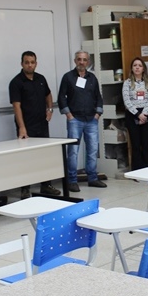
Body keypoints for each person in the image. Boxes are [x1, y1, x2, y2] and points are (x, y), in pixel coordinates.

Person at [9, 50, 61, 197]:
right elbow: (16, 106)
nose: (30, 65)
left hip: (42, 124)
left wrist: (50, 109)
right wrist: (22, 128)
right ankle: (25, 188)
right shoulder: (16, 82)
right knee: (26, 157)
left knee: (44, 155)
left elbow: (48, 94)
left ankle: (46, 185)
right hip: (26, 126)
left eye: (32, 62)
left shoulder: (41, 79)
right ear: (22, 64)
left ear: (36, 64)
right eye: (27, 62)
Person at [58, 50, 105, 192]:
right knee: (73, 151)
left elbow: (99, 97)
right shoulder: (68, 77)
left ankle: (92, 178)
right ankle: (72, 180)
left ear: (88, 62)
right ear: (75, 61)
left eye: (84, 60)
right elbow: (61, 97)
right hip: (75, 119)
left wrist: (98, 114)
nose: (82, 62)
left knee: (92, 150)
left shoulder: (92, 78)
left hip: (92, 119)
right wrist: (69, 115)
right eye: (79, 59)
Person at [123, 57, 148, 170]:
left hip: (146, 115)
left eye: (140, 65)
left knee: (145, 144)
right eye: (135, 65)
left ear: (143, 69)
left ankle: (147, 169)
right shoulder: (127, 83)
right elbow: (127, 101)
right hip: (133, 115)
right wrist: (138, 114)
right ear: (132, 68)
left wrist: (144, 114)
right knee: (135, 145)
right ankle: (136, 171)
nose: (137, 67)